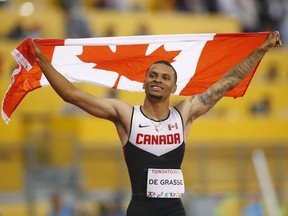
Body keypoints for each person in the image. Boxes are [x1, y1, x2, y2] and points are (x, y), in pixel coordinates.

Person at [33, 32, 281, 216]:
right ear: (143, 82)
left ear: (174, 86)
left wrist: (262, 49)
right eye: (152, 75)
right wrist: (42, 61)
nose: (157, 80)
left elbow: (228, 82)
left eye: (165, 77)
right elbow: (72, 95)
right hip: (140, 209)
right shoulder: (126, 115)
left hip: (174, 210)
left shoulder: (184, 114)